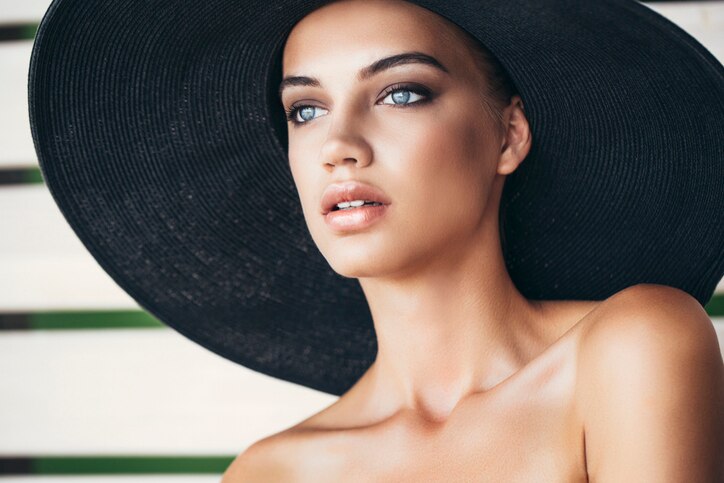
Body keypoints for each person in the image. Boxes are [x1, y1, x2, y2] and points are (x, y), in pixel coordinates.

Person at [27, 0, 723, 480]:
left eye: (400, 94)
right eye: (305, 109)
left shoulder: (636, 345)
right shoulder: (270, 472)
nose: (339, 145)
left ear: (508, 134)